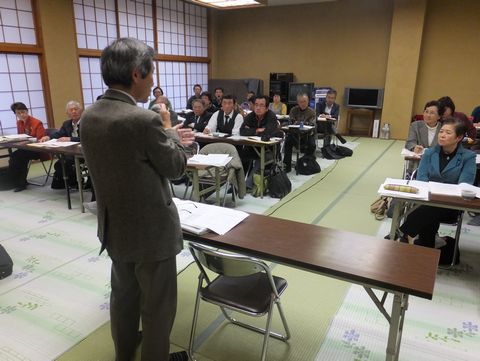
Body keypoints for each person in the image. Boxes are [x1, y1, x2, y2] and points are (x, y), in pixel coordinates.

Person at [80, 38, 193, 361]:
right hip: (152, 231)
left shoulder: (90, 116)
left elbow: (130, 156)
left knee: (124, 298)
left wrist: (167, 137)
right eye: (151, 73)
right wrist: (178, 141)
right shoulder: (143, 120)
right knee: (157, 309)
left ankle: (124, 355)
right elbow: (174, 168)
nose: (153, 81)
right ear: (136, 74)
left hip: (115, 226)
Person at [399, 118, 476, 248]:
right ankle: (425, 250)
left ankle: (404, 233)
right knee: (429, 214)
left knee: (429, 211)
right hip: (427, 200)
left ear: (459, 137)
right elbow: (421, 179)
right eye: (441, 131)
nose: (442, 135)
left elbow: (465, 185)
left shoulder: (468, 157)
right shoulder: (429, 153)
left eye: (448, 132)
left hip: (450, 205)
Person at [39, 100, 83, 189]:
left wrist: (70, 139)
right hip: (70, 151)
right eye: (71, 110)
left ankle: (76, 182)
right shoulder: (67, 123)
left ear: (81, 111)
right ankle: (71, 182)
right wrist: (48, 137)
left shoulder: (86, 122)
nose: (74, 112)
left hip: (83, 152)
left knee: (64, 163)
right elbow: (59, 134)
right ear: (67, 113)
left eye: (76, 109)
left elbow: (87, 138)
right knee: (60, 164)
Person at [8, 102, 46, 192]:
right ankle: (20, 182)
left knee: (17, 157)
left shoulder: (36, 123)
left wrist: (28, 140)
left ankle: (21, 183)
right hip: (25, 149)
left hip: (37, 149)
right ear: (16, 114)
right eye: (18, 113)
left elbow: (40, 139)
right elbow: (20, 136)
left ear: (27, 111)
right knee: (15, 157)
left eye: (23, 112)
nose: (22, 115)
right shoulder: (19, 123)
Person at [283, 93, 317, 173]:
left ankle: (306, 164)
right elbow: (291, 121)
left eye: (305, 101)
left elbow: (312, 124)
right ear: (298, 102)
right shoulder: (293, 110)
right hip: (295, 134)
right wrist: (299, 123)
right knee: (288, 141)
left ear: (308, 101)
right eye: (301, 102)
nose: (303, 104)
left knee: (312, 145)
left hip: (307, 135)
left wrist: (299, 123)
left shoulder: (312, 112)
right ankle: (287, 165)